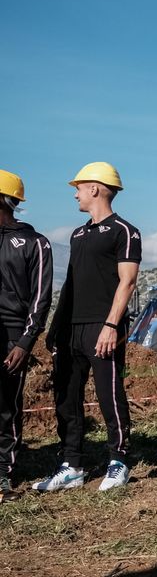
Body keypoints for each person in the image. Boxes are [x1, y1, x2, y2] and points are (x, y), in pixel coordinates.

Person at [37, 162, 140, 493]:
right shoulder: (78, 234)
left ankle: (119, 461)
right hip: (72, 328)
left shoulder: (125, 230)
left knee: (109, 394)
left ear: (95, 188)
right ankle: (72, 466)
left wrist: (112, 325)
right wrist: (55, 330)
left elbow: (128, 282)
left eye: (78, 187)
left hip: (103, 324)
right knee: (67, 396)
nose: (75, 193)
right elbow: (70, 285)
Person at [0, 169, 53, 502]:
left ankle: (2, 475)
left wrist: (24, 342)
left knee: (5, 406)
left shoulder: (36, 243)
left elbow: (40, 298)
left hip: (12, 336)